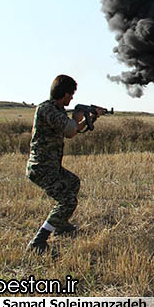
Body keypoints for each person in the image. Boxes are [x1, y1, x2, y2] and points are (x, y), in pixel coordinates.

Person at [26, 74, 102, 254]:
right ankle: (39, 241)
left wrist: (93, 117)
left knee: (73, 182)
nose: (72, 98)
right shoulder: (47, 110)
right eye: (71, 94)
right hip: (41, 168)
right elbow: (71, 128)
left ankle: (60, 224)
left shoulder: (59, 111)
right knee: (67, 201)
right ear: (64, 93)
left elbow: (72, 132)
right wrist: (76, 118)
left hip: (52, 166)